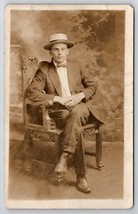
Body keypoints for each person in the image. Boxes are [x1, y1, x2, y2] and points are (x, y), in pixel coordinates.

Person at [27, 33, 103, 194]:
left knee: (77, 112)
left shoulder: (77, 65)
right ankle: (81, 177)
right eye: (56, 49)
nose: (60, 53)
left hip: (80, 108)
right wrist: (58, 99)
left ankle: (63, 159)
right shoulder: (44, 69)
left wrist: (80, 96)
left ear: (68, 51)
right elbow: (32, 92)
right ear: (50, 52)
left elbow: (92, 85)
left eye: (63, 49)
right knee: (77, 128)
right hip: (59, 112)